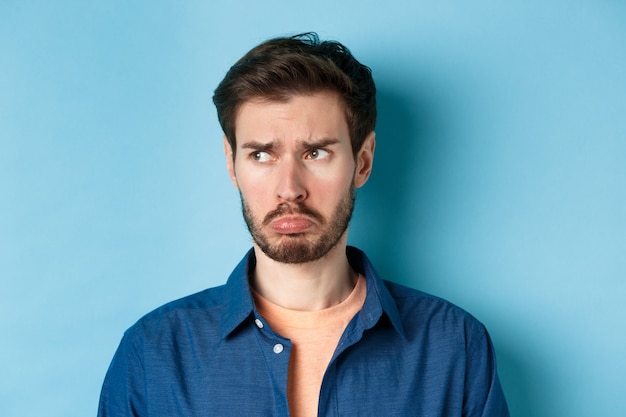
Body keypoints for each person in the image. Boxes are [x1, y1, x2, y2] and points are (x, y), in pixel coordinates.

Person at [98, 32, 510, 417]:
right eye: (262, 155)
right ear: (231, 164)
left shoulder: (455, 347)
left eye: (315, 153)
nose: (289, 189)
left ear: (362, 162)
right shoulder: (152, 354)